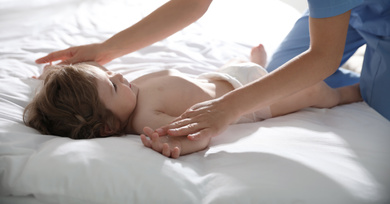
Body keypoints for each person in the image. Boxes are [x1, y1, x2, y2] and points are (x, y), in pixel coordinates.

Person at [35, 0, 390, 143]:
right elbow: (194, 1)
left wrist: (227, 108)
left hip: (381, 0)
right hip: (337, 8)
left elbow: (323, 55)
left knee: (367, 96)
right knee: (282, 77)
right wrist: (104, 52)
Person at [26, 45, 361, 158]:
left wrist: (50, 78)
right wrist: (179, 147)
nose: (118, 77)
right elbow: (193, 135)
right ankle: (352, 93)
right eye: (113, 87)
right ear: (108, 126)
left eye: (110, 74)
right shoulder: (145, 119)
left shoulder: (125, 97)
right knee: (316, 91)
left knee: (250, 67)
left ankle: (258, 62)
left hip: (224, 76)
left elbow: (91, 82)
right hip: (248, 100)